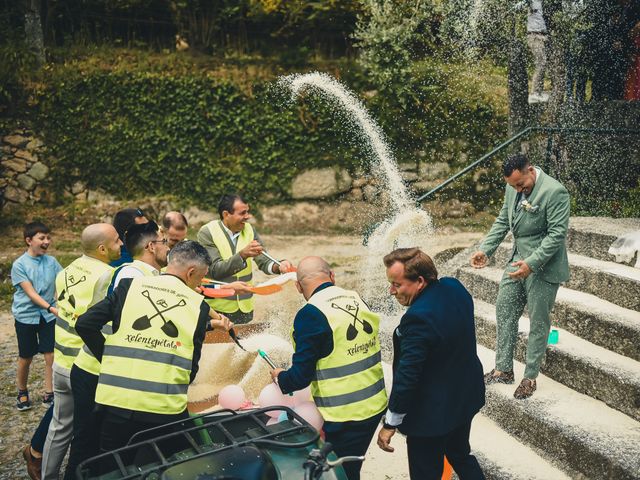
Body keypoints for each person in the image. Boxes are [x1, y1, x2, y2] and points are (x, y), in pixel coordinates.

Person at [76, 240, 232, 458]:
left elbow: (84, 324)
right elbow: (190, 371)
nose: (199, 284)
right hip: (164, 411)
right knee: (171, 464)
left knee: (114, 467)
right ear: (191, 272)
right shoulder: (198, 306)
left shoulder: (129, 287)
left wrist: (108, 358)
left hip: (115, 403)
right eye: (200, 277)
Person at [63, 221, 170, 480]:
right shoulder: (131, 276)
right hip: (92, 371)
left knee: (100, 448)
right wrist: (111, 360)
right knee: (85, 445)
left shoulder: (148, 275)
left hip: (105, 374)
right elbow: (90, 324)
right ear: (151, 246)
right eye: (164, 241)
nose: (169, 246)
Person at [271, 256, 387, 480]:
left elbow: (300, 378)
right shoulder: (356, 298)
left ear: (297, 286)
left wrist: (280, 377)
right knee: (351, 464)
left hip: (345, 412)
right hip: (375, 403)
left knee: (340, 471)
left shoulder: (311, 314)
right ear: (332, 276)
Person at [377, 248, 485, 480]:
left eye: (397, 284)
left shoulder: (418, 318)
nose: (391, 291)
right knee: (460, 454)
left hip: (431, 415)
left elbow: (408, 375)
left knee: (426, 473)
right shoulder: (454, 287)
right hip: (464, 396)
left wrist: (390, 423)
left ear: (419, 281)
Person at [470, 153, 570, 399]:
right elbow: (504, 219)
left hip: (543, 266)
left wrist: (532, 263)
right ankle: (503, 369)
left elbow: (557, 235)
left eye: (520, 184)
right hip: (516, 261)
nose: (517, 190)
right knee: (504, 309)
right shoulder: (512, 187)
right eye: (512, 186)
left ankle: (530, 376)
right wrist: (486, 249)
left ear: (530, 171)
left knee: (538, 321)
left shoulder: (555, 192)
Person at [40, 223, 122, 479]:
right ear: (102, 248)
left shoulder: (66, 270)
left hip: (61, 361)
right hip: (85, 367)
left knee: (59, 426)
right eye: (117, 240)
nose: (121, 244)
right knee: (87, 434)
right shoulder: (108, 276)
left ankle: (47, 476)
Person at [197, 194, 292, 324]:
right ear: (226, 214)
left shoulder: (249, 230)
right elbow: (214, 270)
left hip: (245, 308)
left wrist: (279, 266)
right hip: (216, 309)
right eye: (243, 213)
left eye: (248, 211)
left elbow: (264, 261)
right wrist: (242, 255)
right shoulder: (207, 232)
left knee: (244, 344)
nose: (248, 216)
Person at [11, 221, 62, 411]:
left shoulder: (52, 262)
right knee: (26, 356)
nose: (47, 241)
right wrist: (51, 308)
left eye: (48, 237)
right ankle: (22, 391)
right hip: (27, 316)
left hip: (47, 316)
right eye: (42, 238)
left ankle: (49, 392)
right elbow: (31, 294)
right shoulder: (19, 265)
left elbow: (63, 282)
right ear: (29, 240)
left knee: (51, 354)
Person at [527, 0, 549, 102]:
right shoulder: (531, 1)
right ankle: (534, 93)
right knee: (541, 62)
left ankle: (538, 92)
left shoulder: (541, 2)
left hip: (541, 36)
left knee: (542, 63)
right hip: (534, 35)